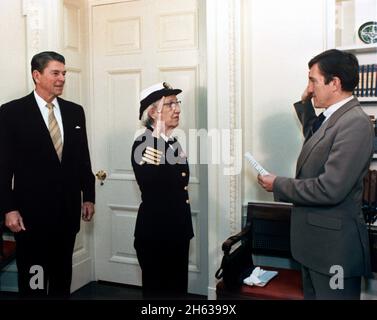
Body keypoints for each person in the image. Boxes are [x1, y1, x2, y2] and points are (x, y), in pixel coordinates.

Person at [257, 49, 373, 300]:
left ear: (335, 83)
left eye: (313, 80)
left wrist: (278, 184)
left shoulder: (355, 123)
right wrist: (306, 101)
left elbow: (330, 188)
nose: (309, 86)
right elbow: (315, 139)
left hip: (334, 252)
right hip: (316, 249)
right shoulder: (334, 118)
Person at [0, 51, 95, 299]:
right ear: (36, 75)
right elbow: (3, 167)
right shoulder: (11, 113)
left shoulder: (75, 112)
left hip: (66, 214)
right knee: (35, 278)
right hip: (30, 217)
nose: (62, 78)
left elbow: (83, 158)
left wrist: (89, 196)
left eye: (64, 73)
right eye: (56, 73)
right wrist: (8, 209)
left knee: (62, 278)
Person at [131, 82, 194, 299]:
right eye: (169, 104)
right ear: (152, 112)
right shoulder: (145, 143)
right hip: (157, 235)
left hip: (176, 230)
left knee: (177, 291)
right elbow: (149, 180)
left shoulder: (172, 142)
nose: (177, 109)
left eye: (177, 103)